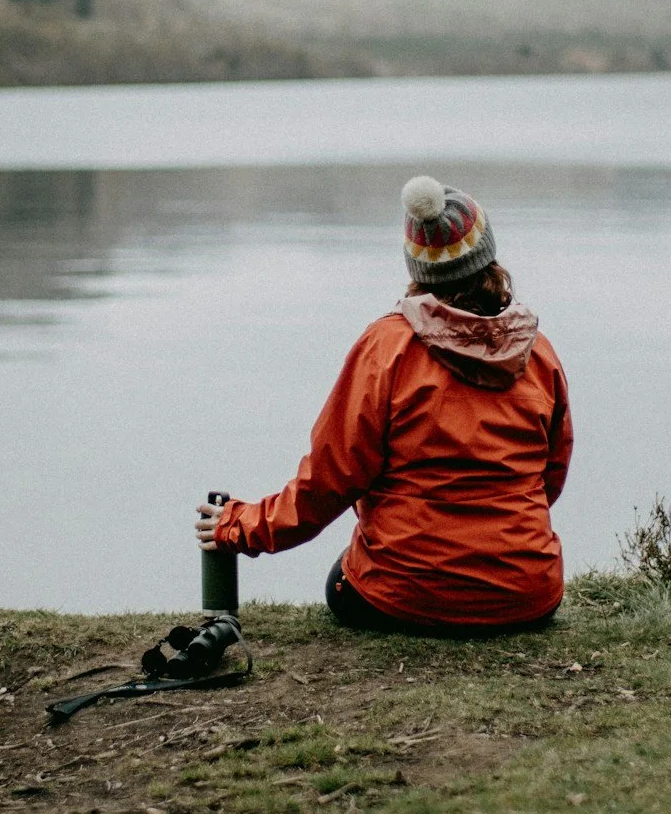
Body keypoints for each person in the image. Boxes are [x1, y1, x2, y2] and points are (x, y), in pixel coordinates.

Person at [194, 175, 573, 635]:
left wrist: (238, 526)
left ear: (418, 269)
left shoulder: (386, 348)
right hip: (526, 596)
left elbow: (328, 484)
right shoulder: (538, 352)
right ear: (489, 257)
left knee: (344, 578)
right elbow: (549, 477)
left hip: (405, 597)